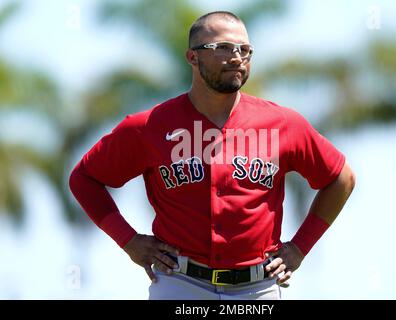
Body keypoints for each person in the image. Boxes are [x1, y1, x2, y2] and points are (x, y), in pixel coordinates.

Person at [69, 11, 356, 300]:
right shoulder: (150, 126)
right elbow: (84, 179)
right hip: (181, 284)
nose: (237, 57)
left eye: (245, 49)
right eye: (222, 48)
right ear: (192, 57)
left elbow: (341, 178)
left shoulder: (283, 123)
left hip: (257, 287)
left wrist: (300, 247)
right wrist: (129, 240)